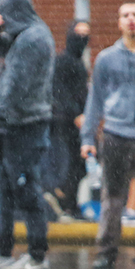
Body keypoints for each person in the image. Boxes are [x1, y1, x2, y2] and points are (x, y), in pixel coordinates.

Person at [0, 0, 55, 269]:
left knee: (25, 189)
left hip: (25, 126)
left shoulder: (33, 39)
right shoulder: (28, 35)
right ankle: (4, 252)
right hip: (13, 124)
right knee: (2, 191)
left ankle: (37, 255)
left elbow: (16, 84)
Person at [81, 2, 135, 269]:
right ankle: (106, 251)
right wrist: (87, 138)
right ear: (119, 23)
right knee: (113, 197)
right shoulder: (106, 59)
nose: (130, 19)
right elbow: (95, 100)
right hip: (116, 134)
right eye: (125, 15)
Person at [45, 20, 89, 220]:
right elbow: (60, 91)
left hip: (76, 122)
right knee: (67, 165)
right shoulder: (63, 61)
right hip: (63, 122)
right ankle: (62, 200)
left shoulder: (78, 62)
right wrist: (75, 113)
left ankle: (69, 203)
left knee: (77, 165)